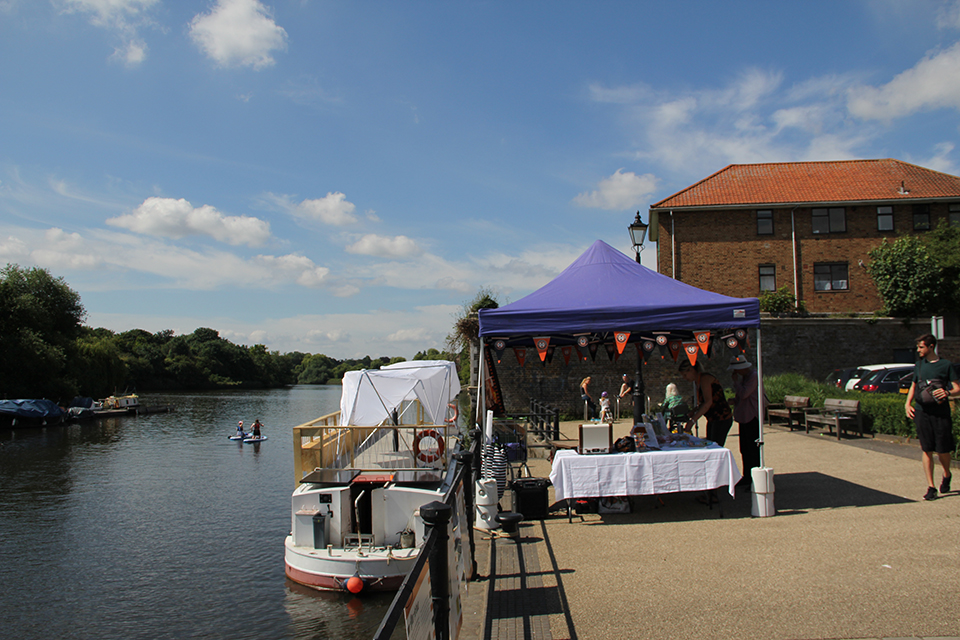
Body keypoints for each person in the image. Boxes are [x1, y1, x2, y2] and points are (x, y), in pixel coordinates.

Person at [904, 334, 959, 501]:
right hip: (922, 412)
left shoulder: (946, 365)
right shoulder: (919, 365)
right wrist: (907, 404)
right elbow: (913, 385)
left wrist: (948, 392)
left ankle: (947, 474)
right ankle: (931, 486)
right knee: (926, 448)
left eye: (921, 347)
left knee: (942, 449)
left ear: (931, 347)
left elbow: (958, 388)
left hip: (940, 413)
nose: (918, 350)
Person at [729, 354, 760, 488]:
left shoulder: (753, 376)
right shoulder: (745, 378)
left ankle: (754, 479)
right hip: (744, 417)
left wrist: (736, 383)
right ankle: (746, 475)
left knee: (752, 450)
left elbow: (745, 393)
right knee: (745, 449)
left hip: (752, 416)